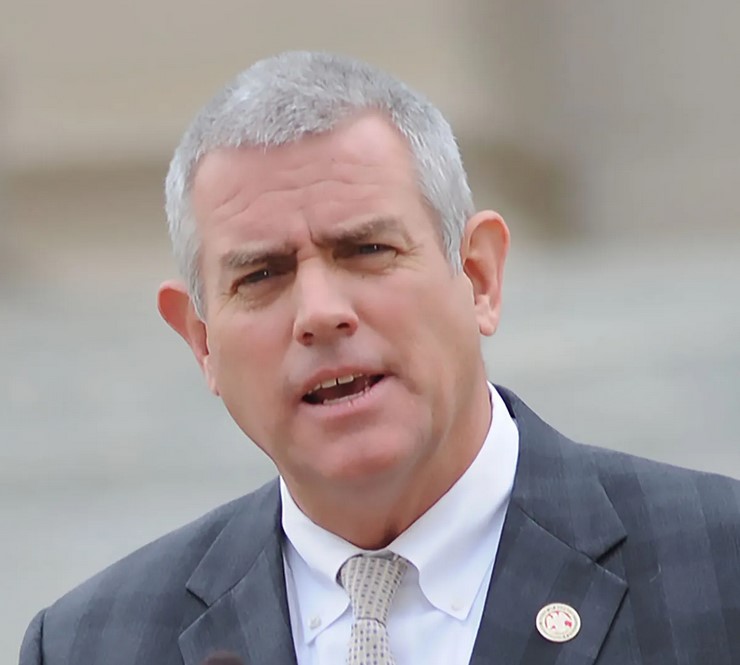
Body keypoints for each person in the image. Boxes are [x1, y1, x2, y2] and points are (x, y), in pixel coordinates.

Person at [19, 51, 740, 665]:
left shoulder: (718, 568)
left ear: (479, 277)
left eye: (367, 250)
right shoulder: (95, 645)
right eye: (261, 275)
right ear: (202, 341)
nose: (319, 312)